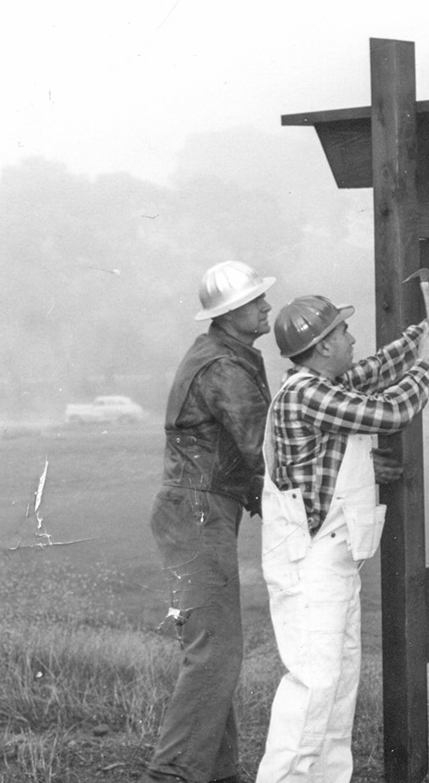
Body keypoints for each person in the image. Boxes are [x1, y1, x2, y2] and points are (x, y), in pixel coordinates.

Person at [255, 277, 429, 783]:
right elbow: (391, 412)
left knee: (337, 693)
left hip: (333, 562)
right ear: (322, 347)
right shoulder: (307, 395)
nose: (352, 339)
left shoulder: (321, 385)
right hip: (312, 565)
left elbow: (377, 368)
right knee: (313, 691)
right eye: (343, 332)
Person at [141, 260, 277, 783]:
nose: (266, 306)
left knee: (215, 648)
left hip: (196, 509)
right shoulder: (224, 367)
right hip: (197, 511)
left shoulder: (228, 355)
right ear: (229, 314)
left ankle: (217, 773)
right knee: (215, 650)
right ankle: (173, 774)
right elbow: (262, 448)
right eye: (256, 301)